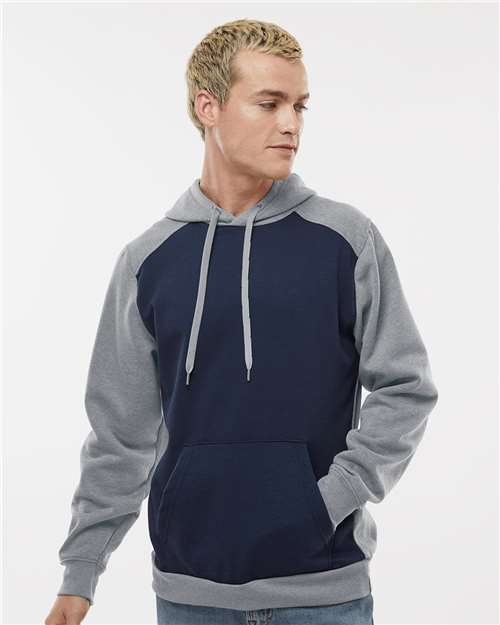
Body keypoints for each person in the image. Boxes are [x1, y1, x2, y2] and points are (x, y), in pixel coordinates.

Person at [44, 18, 438, 625]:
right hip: (190, 595)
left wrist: (330, 498)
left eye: (300, 106)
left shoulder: (345, 241)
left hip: (323, 592)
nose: (291, 124)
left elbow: (406, 387)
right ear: (209, 108)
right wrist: (80, 575)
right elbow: (120, 434)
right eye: (269, 103)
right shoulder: (149, 261)